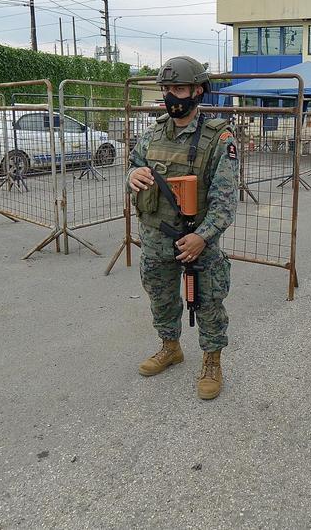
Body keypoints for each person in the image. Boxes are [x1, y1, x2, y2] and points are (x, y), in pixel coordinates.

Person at [126, 56, 238, 400]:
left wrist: (202, 238)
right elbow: (134, 166)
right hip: (156, 239)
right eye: (167, 89)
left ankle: (212, 361)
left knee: (208, 302)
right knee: (161, 298)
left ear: (197, 91)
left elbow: (225, 200)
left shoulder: (219, 138)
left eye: (179, 88)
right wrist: (132, 175)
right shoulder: (152, 133)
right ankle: (170, 347)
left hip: (197, 240)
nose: (173, 95)